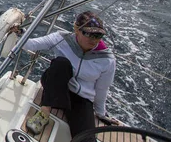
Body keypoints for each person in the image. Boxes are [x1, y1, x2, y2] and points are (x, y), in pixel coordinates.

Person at [20, 11, 118, 140]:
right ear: (76, 29)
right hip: (56, 87)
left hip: (81, 99)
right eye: (89, 34)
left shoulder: (107, 60)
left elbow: (102, 89)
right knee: (61, 63)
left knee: (86, 139)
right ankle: (44, 112)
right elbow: (31, 44)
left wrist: (101, 113)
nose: (94, 40)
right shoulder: (61, 38)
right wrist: (19, 33)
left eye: (98, 35)